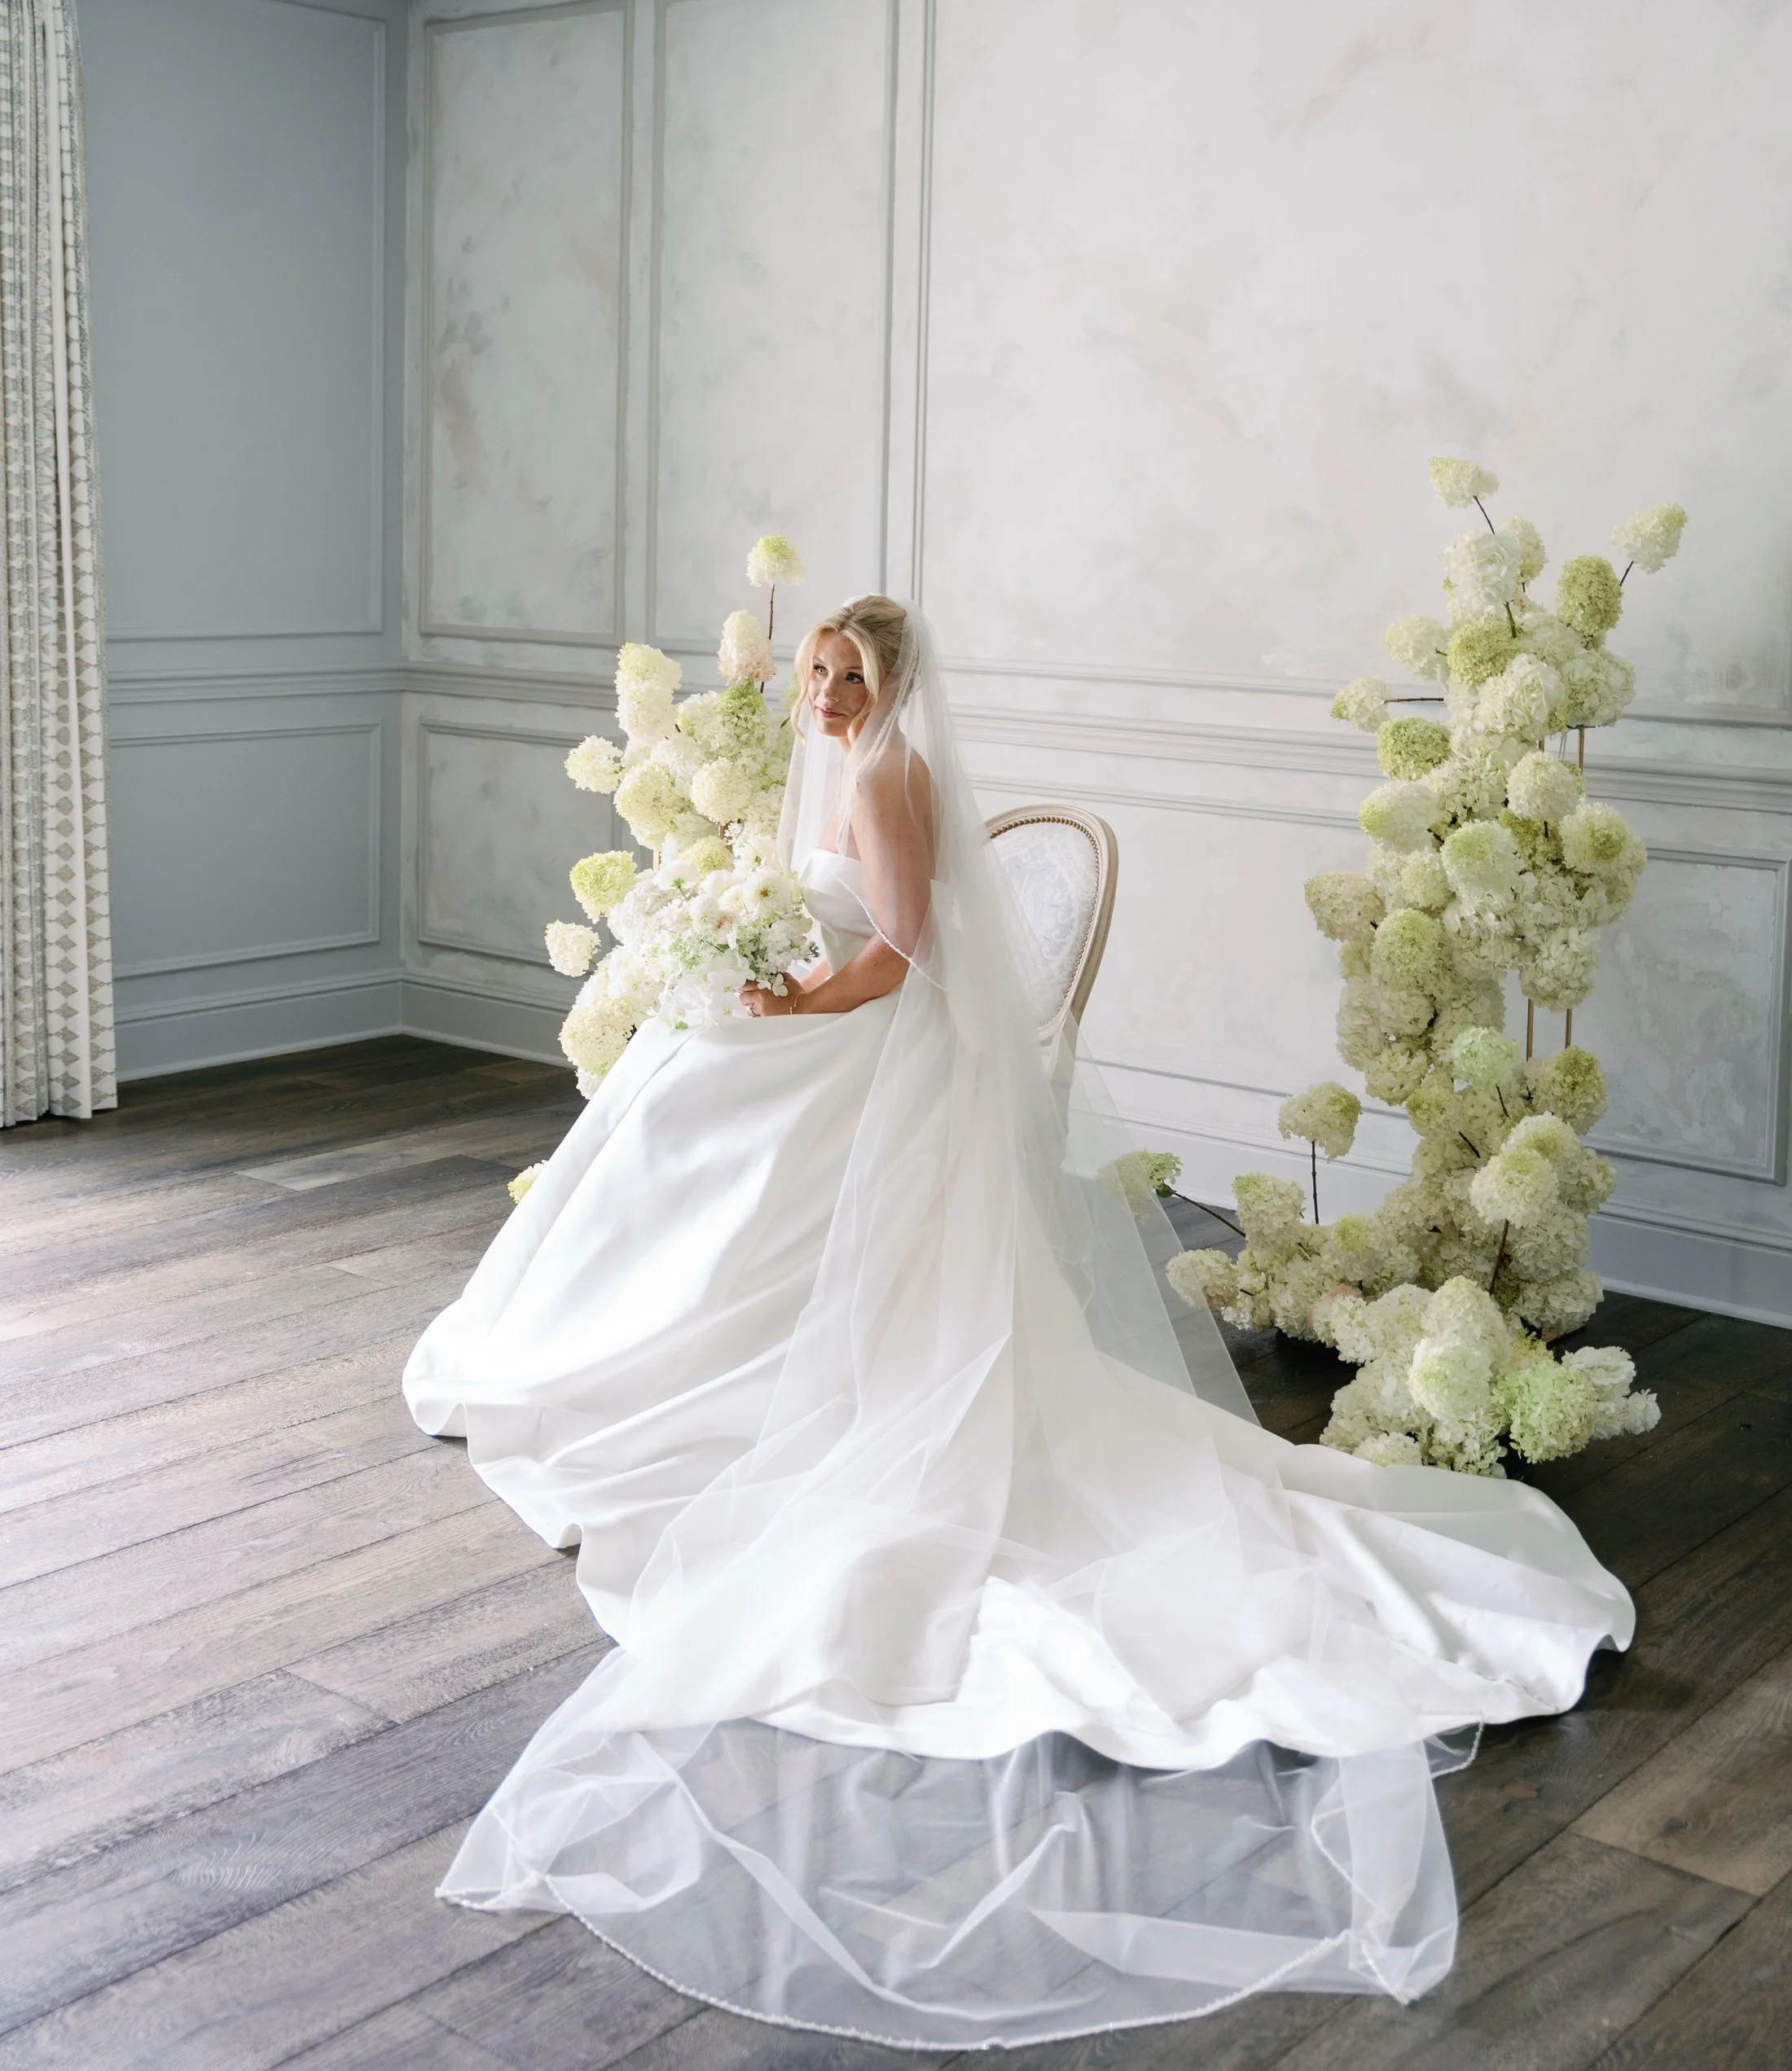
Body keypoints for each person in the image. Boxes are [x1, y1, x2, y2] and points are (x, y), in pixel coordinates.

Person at [403, 595, 1632, 2051]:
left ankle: (654, 1356)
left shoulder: (885, 778)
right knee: (675, 1073)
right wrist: (750, 975)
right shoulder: (846, 767)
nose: (825, 696)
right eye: (815, 673)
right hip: (847, 1021)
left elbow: (904, 955)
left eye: (848, 677)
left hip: (880, 1045)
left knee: (689, 1097)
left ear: (894, 685)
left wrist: (785, 1011)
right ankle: (628, 1334)